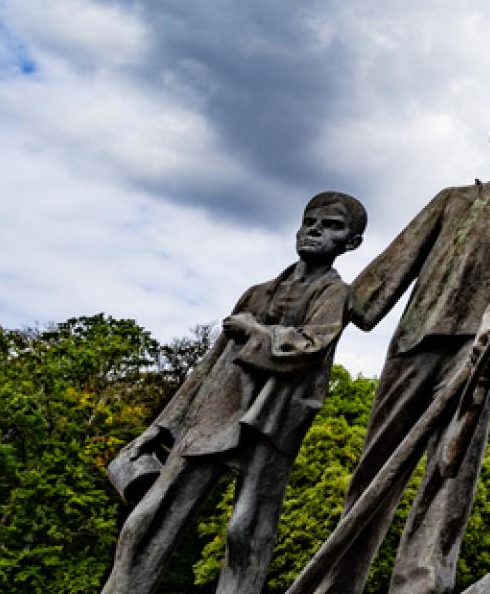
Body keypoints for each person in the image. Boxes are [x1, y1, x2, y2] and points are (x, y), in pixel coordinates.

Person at [311, 107, 490, 594]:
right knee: (376, 465)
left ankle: (421, 584)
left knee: (451, 469)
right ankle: (338, 583)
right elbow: (401, 255)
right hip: (415, 339)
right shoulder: (451, 199)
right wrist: (339, 305)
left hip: (478, 345)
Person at [102, 192, 365, 594]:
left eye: (331, 226)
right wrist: (164, 423)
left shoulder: (335, 295)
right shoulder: (256, 292)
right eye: (310, 221)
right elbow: (211, 363)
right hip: (215, 411)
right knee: (150, 518)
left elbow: (310, 347)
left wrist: (255, 332)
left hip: (273, 418)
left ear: (351, 243)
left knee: (246, 531)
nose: (314, 230)